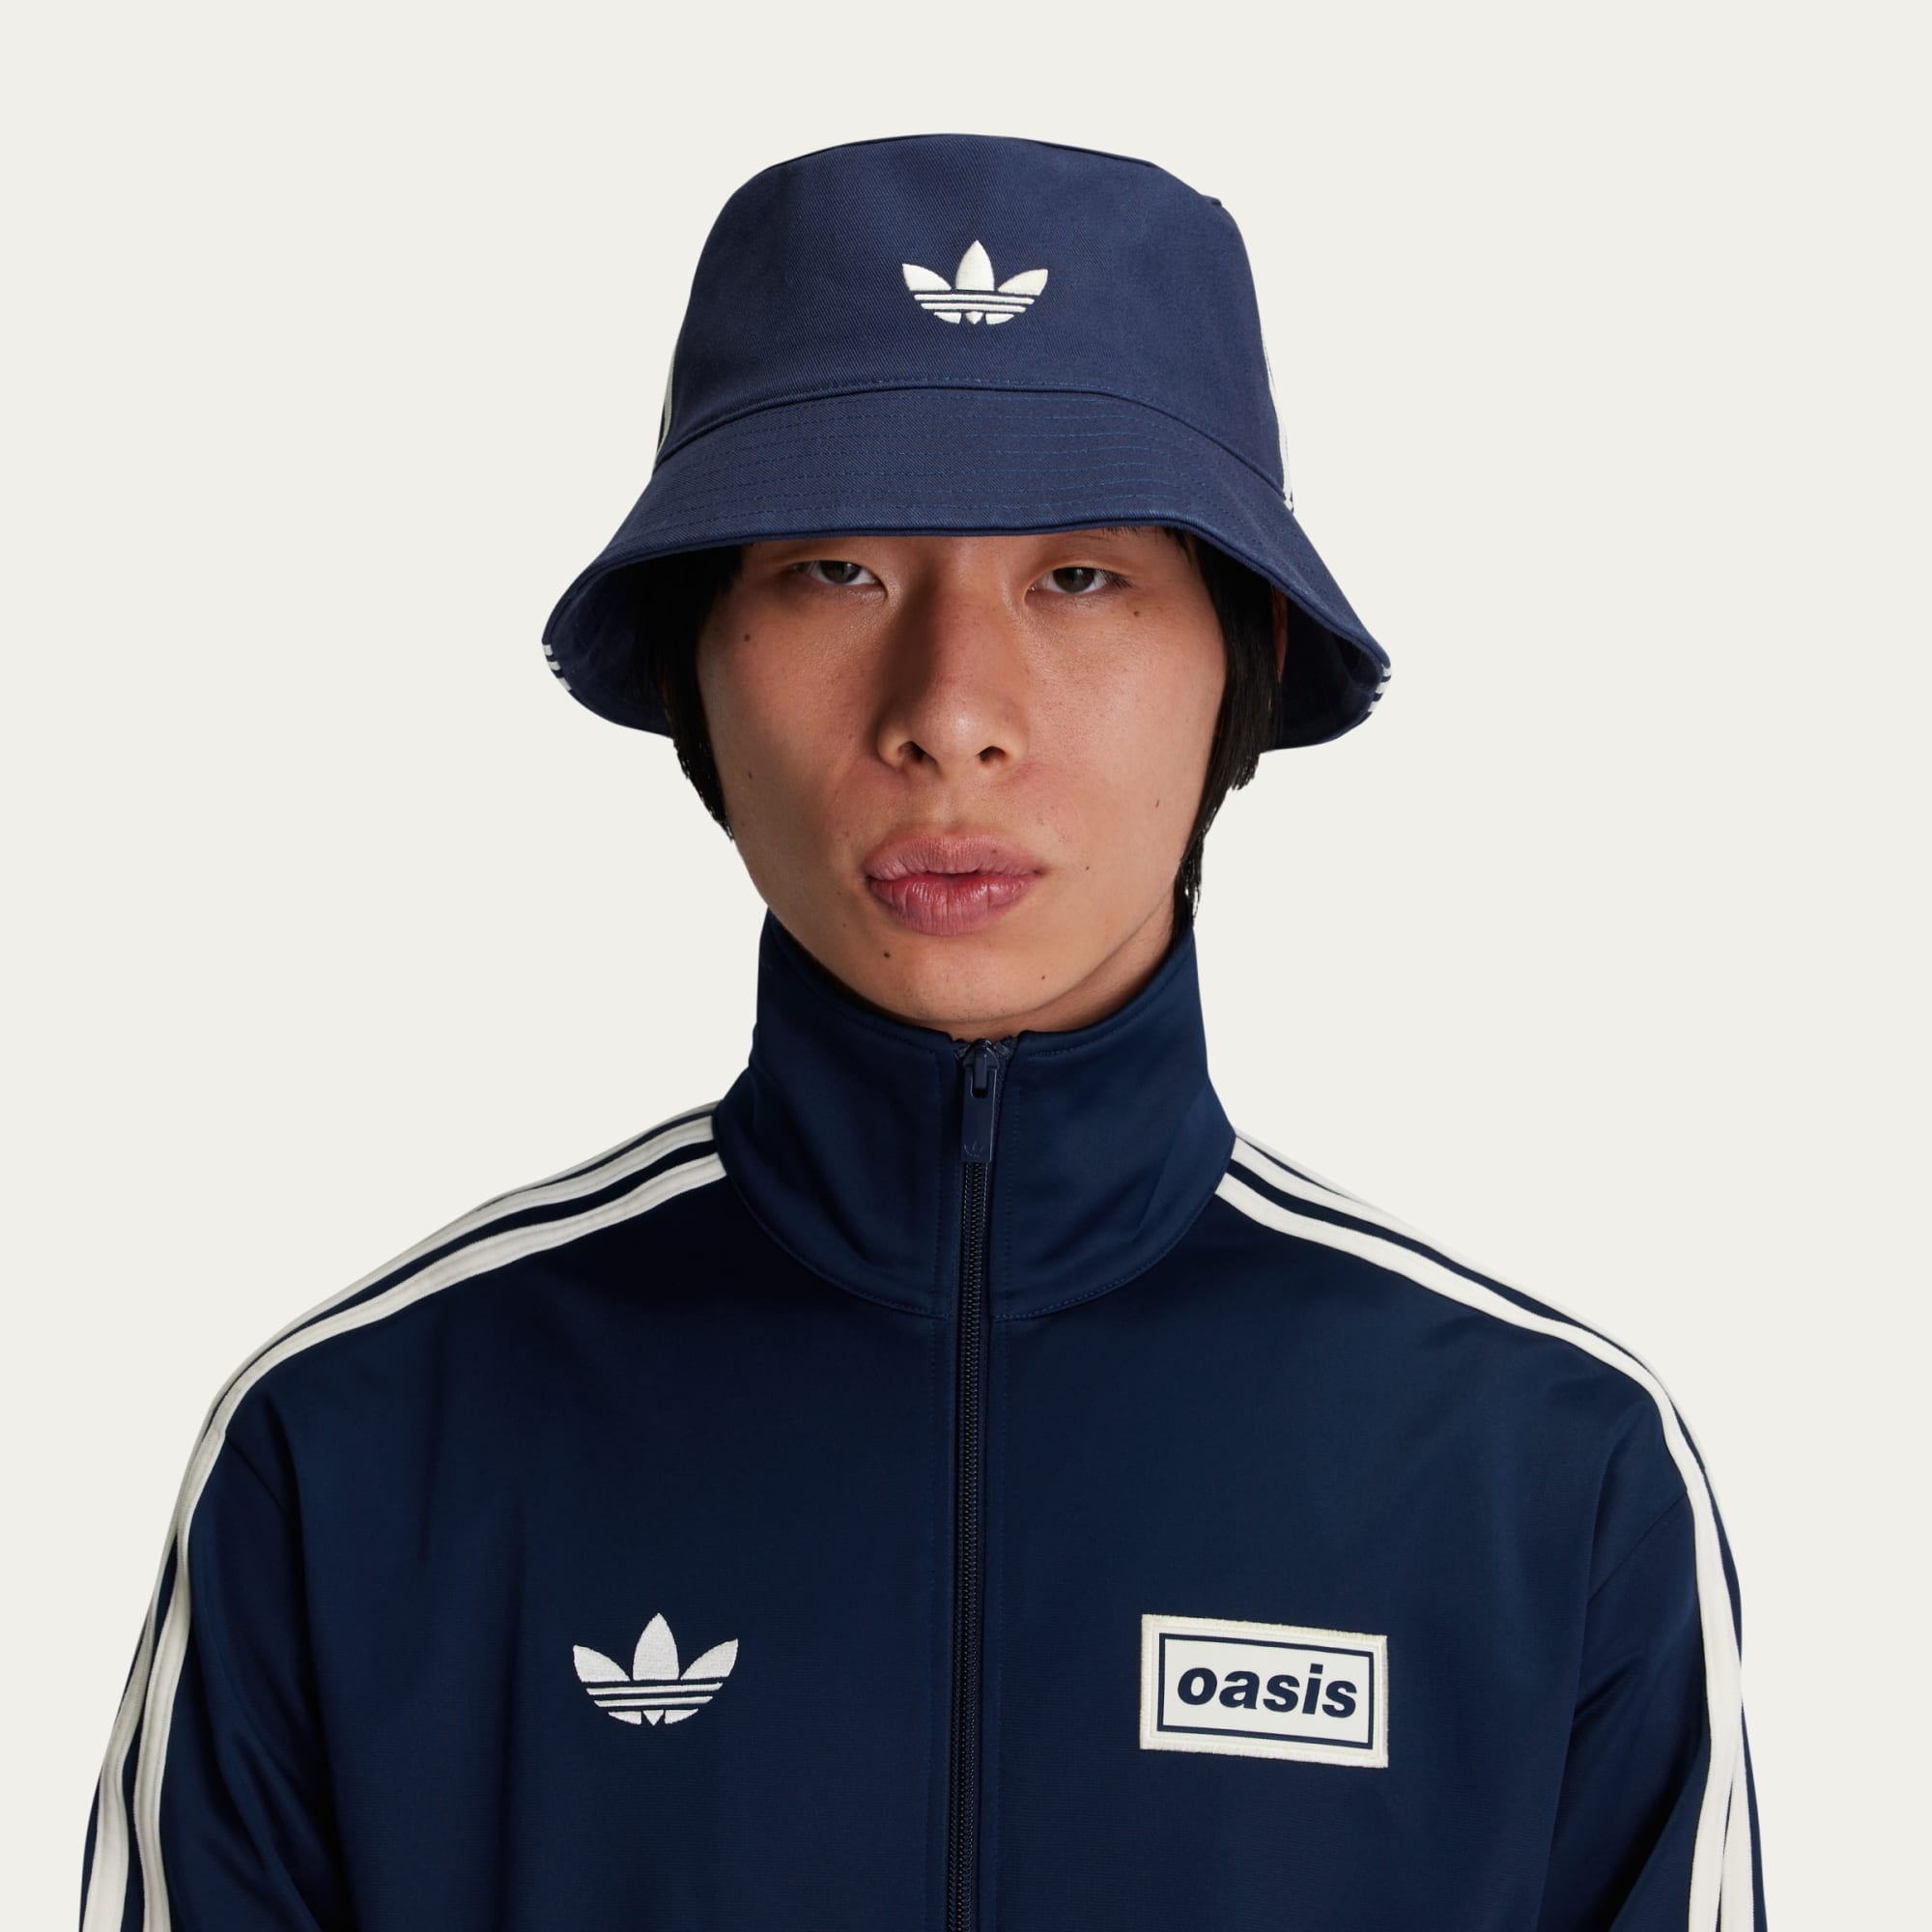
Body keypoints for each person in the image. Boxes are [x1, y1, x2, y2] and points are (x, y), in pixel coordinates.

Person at [78, 131, 1765, 1931]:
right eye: (834, 570)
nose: (951, 713)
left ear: (1250, 649)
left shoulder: (1545, 1477)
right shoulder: (358, 1453)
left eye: (1080, 577)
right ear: (692, 662)